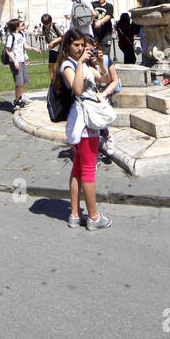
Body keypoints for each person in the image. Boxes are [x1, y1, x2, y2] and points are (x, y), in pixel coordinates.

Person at [55, 29, 115, 230]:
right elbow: (78, 89)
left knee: (78, 169)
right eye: (77, 45)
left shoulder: (83, 64)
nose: (80, 48)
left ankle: (74, 214)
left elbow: (103, 79)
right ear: (67, 47)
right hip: (83, 125)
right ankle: (94, 217)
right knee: (88, 171)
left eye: (82, 45)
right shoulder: (68, 65)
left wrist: (97, 62)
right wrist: (81, 63)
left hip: (84, 123)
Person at [3, 18, 30, 109]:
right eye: (20, 24)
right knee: (19, 82)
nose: (21, 25)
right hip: (16, 62)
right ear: (16, 26)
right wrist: (14, 61)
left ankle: (20, 97)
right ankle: (17, 100)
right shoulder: (11, 37)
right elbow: (8, 50)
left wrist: (33, 50)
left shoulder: (21, 34)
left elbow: (24, 46)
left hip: (22, 60)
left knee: (24, 81)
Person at [40, 14, 64, 82]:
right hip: (52, 49)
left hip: (59, 48)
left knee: (60, 65)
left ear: (51, 22)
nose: (46, 25)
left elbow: (62, 36)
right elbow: (45, 36)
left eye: (47, 24)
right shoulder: (44, 27)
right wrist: (47, 43)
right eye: (44, 24)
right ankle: (53, 82)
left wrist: (53, 42)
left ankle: (62, 80)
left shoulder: (54, 26)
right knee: (51, 66)